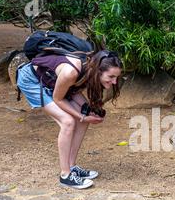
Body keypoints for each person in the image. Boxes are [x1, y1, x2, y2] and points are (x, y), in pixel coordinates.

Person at [16, 50, 123, 189]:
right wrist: (82, 116)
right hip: (32, 80)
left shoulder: (89, 69)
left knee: (84, 121)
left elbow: (73, 90)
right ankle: (65, 175)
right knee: (68, 122)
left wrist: (88, 111)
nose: (114, 82)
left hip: (53, 83)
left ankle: (71, 167)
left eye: (117, 77)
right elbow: (58, 99)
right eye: (111, 76)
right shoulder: (71, 72)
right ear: (99, 71)